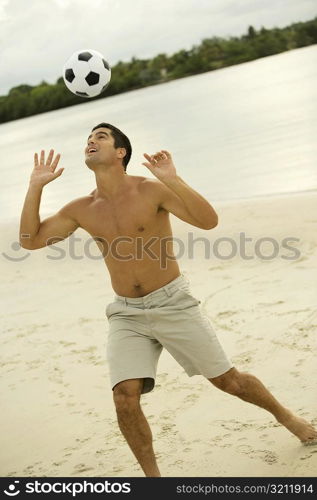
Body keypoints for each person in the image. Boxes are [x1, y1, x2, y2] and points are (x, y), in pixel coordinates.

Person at [19, 122, 317, 477]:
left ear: (120, 152)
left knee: (228, 381)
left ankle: (287, 417)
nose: (91, 142)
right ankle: (154, 482)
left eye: (101, 136)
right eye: (88, 139)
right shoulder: (80, 208)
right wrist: (35, 186)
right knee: (124, 396)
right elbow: (30, 240)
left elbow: (208, 221)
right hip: (126, 313)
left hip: (172, 302)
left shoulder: (150, 190)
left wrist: (173, 179)